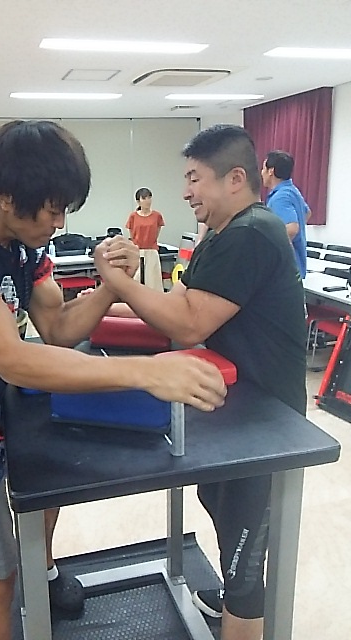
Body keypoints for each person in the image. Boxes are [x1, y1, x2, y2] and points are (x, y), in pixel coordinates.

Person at [0, 119, 227, 640]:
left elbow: (59, 329)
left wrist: (111, 285)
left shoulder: (24, 241)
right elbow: (13, 358)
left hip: (3, 406)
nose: (60, 222)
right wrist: (146, 371)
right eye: (52, 210)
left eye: (66, 208)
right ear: (5, 197)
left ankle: (42, 573)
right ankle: (21, 583)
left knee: (44, 497)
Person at [97, 124, 307, 640]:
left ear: (234, 179)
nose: (186, 190)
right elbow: (178, 305)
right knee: (220, 509)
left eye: (194, 178)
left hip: (266, 422)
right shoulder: (220, 233)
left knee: (244, 561)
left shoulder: (252, 232)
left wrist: (116, 281)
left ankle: (241, 609)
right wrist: (109, 300)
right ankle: (233, 598)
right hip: (230, 406)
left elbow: (189, 323)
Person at [261, 150, 311, 279]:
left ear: (271, 171)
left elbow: (292, 229)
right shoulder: (292, 190)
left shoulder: (280, 197)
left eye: (263, 168)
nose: (261, 173)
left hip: (285, 271)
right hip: (295, 267)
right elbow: (307, 213)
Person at [126, 187, 165, 290]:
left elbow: (157, 232)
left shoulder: (157, 216)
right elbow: (132, 234)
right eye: (144, 198)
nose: (147, 201)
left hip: (151, 250)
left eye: (149, 198)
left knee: (153, 282)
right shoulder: (133, 216)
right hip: (137, 251)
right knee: (137, 280)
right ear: (138, 201)